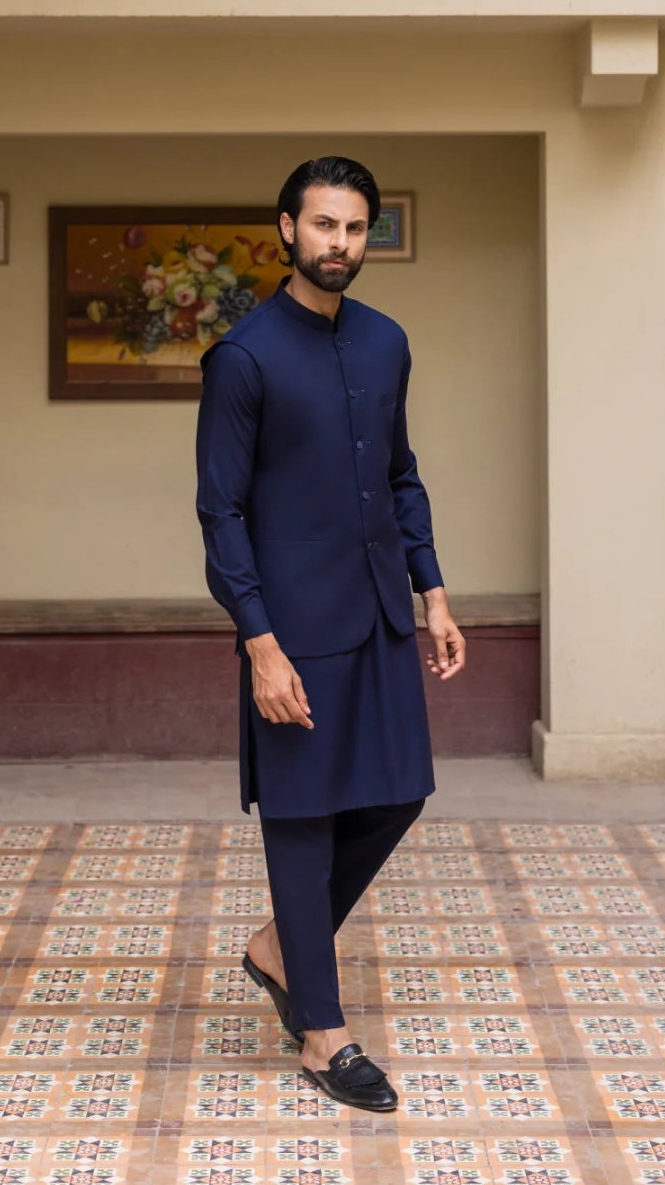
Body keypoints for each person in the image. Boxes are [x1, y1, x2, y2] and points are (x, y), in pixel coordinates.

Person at [194, 154, 466, 1113]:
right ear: (286, 230)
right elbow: (219, 513)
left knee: (398, 795)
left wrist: (430, 589)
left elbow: (401, 475)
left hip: (382, 614)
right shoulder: (243, 359)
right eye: (322, 226)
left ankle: (277, 948)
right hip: (294, 630)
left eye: (354, 229)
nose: (338, 244)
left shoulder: (388, 342)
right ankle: (322, 1034)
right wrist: (258, 643)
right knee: (302, 827)